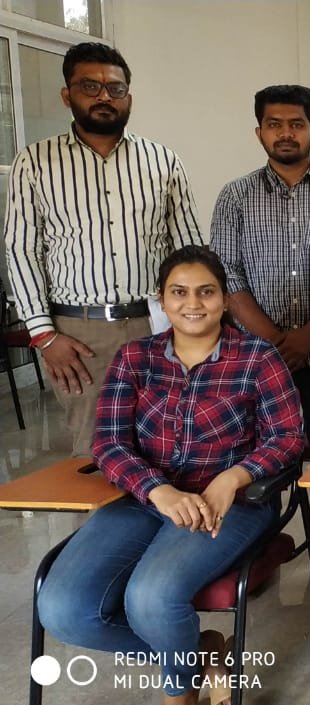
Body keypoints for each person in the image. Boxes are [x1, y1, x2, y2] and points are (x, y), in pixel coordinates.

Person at [36, 246, 304, 705]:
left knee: (151, 598)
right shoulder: (135, 357)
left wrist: (232, 477)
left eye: (206, 292)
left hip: (231, 505)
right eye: (179, 292)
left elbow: (288, 438)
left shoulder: (257, 357)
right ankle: (203, 652)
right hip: (145, 499)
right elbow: (109, 443)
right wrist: (157, 490)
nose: (192, 303)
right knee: (63, 609)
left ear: (225, 299)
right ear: (161, 300)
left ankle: (178, 700)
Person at [4, 41, 203, 456]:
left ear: (129, 96)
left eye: (115, 88)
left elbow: (188, 250)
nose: (104, 97)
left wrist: (194, 321)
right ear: (67, 95)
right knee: (97, 450)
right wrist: (44, 336)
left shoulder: (163, 161)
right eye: (90, 87)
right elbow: (21, 250)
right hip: (80, 334)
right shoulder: (35, 162)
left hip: (157, 323)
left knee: (175, 441)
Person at [210, 83, 310, 562]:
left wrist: (306, 337)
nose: (286, 133)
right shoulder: (234, 197)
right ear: (259, 132)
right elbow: (227, 275)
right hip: (253, 360)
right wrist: (272, 342)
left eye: (296, 124)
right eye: (275, 124)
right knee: (256, 449)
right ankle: (260, 542)